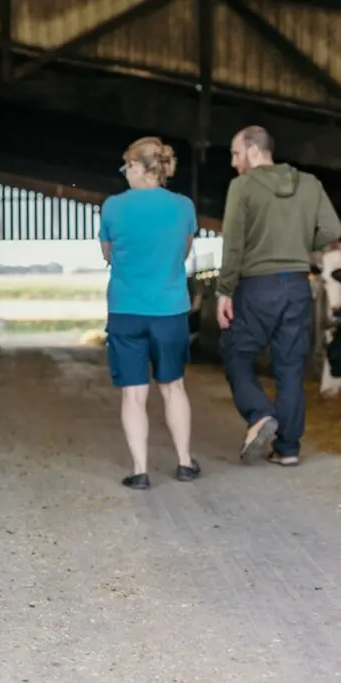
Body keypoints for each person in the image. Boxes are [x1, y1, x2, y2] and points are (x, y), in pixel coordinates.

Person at [216, 125, 341, 466]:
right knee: (289, 366)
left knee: (236, 354)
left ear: (254, 150)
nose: (233, 162)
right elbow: (332, 231)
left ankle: (259, 414)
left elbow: (234, 245)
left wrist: (224, 290)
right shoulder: (310, 184)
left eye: (236, 154)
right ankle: (287, 448)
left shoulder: (242, 187)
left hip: (257, 286)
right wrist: (301, 246)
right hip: (298, 286)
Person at [99, 136, 201, 490]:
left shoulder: (112, 207)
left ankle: (140, 470)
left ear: (143, 168)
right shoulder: (184, 206)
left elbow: (108, 255)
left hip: (126, 310)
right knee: (173, 386)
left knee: (133, 393)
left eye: (128, 165)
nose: (125, 172)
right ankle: (185, 463)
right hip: (170, 309)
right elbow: (183, 253)